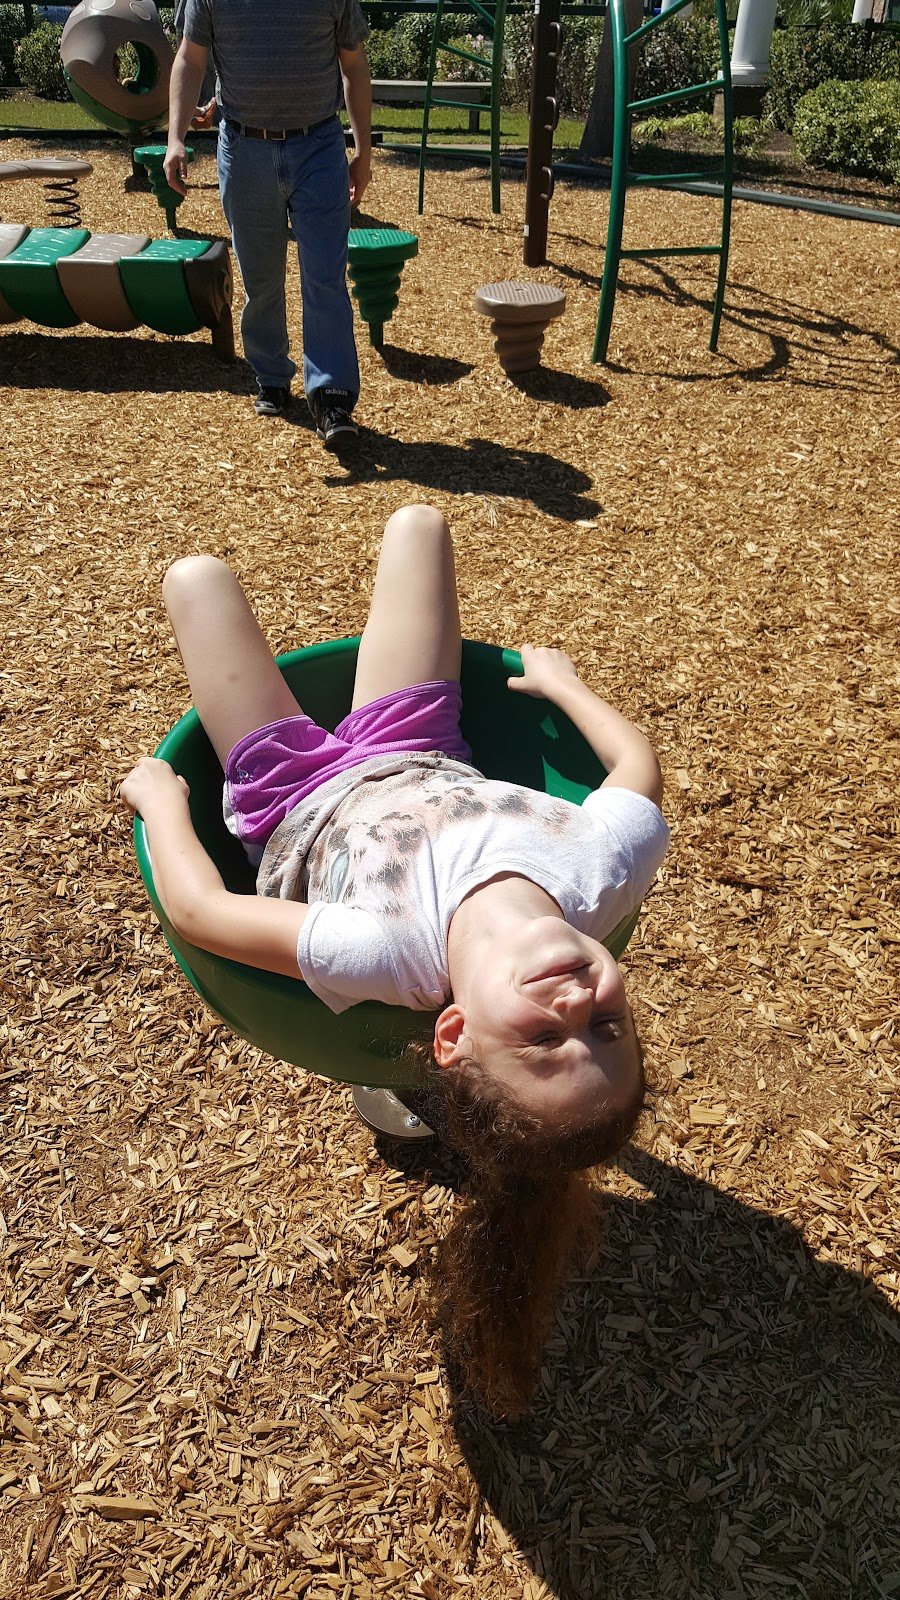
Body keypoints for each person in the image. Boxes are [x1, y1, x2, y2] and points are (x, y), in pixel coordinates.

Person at [122, 504, 669, 1412]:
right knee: (420, 523)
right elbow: (637, 772)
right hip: (421, 743)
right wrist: (564, 686)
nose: (576, 1005)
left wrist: (166, 806)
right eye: (607, 1025)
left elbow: (201, 911)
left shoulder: (385, 953)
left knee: (195, 579)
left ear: (451, 1033)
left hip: (292, 792)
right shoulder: (600, 872)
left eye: (544, 1040)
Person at [163, 0, 372, 451]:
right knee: (260, 277)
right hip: (244, 149)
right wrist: (175, 138)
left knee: (324, 276)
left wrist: (363, 152)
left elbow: (353, 65)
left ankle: (332, 396)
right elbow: (190, 58)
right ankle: (272, 375)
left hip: (319, 146)